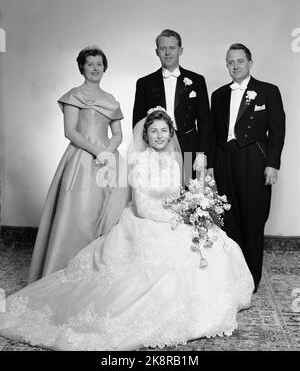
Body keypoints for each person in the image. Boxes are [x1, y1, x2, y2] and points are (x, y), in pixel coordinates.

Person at [0, 109, 254, 351]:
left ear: (170, 133)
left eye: (164, 131)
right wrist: (178, 220)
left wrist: (191, 211)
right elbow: (143, 207)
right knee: (166, 260)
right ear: (145, 135)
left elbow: (177, 197)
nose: (159, 136)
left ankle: (207, 302)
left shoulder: (176, 161)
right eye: (153, 131)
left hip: (172, 218)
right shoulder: (140, 162)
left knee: (215, 241)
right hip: (145, 221)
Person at [28, 46, 127, 283]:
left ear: (105, 68)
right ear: (82, 67)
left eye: (99, 64)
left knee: (109, 216)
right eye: (90, 64)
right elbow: (70, 132)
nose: (95, 68)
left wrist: (108, 153)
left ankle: (99, 275)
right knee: (81, 214)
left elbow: (118, 134)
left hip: (109, 160)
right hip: (82, 160)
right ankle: (66, 274)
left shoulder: (111, 99)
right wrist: (98, 152)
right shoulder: (73, 95)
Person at [211, 43, 285, 293]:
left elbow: (277, 131)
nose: (235, 66)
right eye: (230, 62)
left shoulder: (268, 91)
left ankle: (251, 279)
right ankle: (233, 274)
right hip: (225, 160)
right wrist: (211, 166)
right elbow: (212, 134)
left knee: (253, 218)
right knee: (228, 218)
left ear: (250, 63)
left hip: (254, 158)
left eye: (239, 61)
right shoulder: (218, 95)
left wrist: (272, 164)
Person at [133, 29, 213, 180]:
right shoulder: (144, 83)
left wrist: (202, 154)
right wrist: (142, 154)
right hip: (156, 148)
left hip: (189, 148)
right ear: (157, 52)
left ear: (180, 50)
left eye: (172, 48)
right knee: (160, 194)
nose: (167, 52)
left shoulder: (197, 80)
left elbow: (205, 122)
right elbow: (138, 123)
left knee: (190, 196)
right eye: (163, 48)